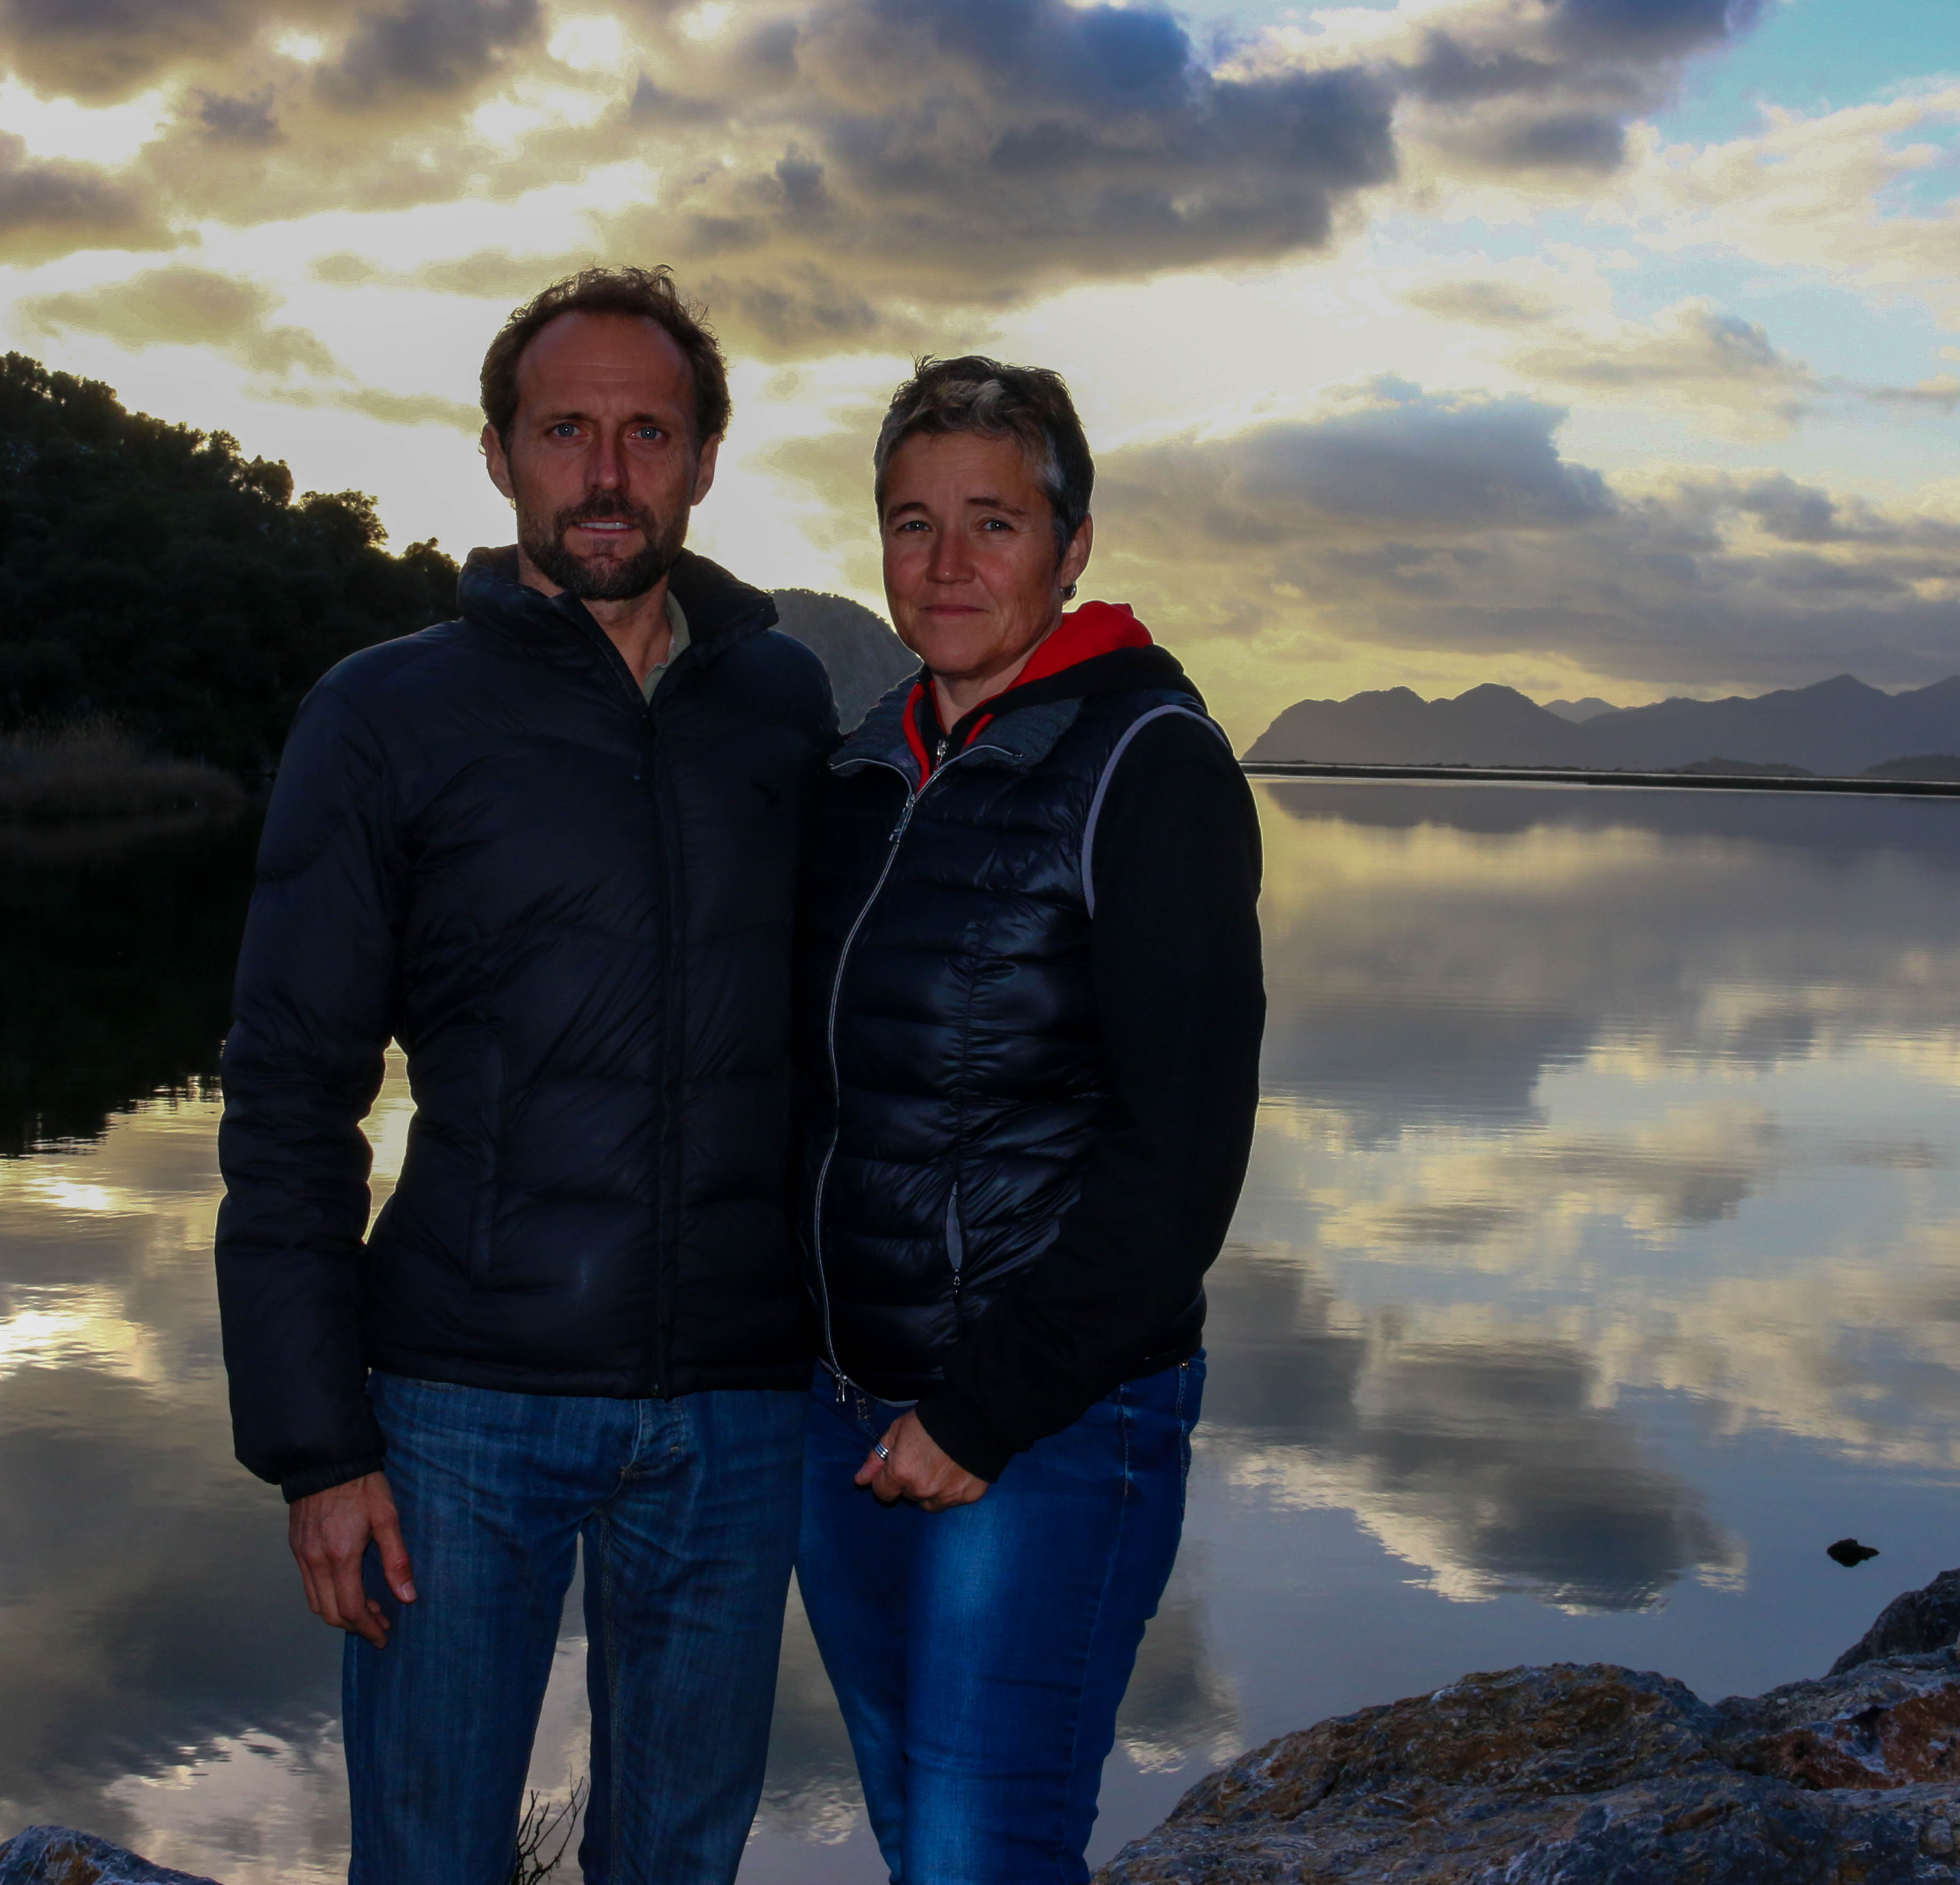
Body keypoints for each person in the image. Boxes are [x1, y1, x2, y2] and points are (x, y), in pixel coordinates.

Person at [213, 267, 835, 1885]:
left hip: (738, 1403)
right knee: (430, 1856)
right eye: (566, 431)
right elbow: (290, 1096)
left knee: (678, 1861)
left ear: (705, 460)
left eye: (649, 433)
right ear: (497, 455)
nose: (607, 474)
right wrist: (317, 1446)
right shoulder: (385, 715)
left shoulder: (780, 704)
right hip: (457, 1408)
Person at [794, 356, 1266, 1883]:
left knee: (979, 1854)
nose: (946, 564)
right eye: (912, 522)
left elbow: (1180, 1161)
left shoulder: (1149, 765)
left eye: (992, 523)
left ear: (1072, 547)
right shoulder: (869, 772)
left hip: (1045, 1424)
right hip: (845, 1412)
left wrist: (980, 1414)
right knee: (919, 1835)